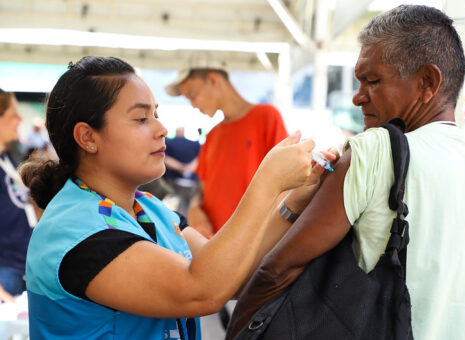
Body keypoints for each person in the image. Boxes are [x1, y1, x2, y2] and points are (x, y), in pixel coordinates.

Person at [228, 5, 465, 340]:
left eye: (372, 81)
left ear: (428, 82)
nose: (357, 97)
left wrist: (240, 331)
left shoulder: (375, 151)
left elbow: (276, 270)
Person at [20, 56, 333, 339]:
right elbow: (202, 291)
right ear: (88, 137)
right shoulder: (75, 230)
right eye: (141, 119)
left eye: (156, 114)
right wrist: (268, 183)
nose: (161, 129)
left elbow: (234, 278)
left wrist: (293, 203)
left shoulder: (147, 208)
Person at [166, 56, 288, 238]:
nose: (192, 105)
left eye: (192, 95)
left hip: (253, 244)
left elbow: (286, 183)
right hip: (214, 243)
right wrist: (194, 208)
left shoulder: (267, 117)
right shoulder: (212, 134)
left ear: (214, 80)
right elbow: (202, 188)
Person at [0, 89, 35, 303]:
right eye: (13, 114)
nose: (20, 119)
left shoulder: (7, 159)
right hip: (6, 274)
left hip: (25, 267)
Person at [163, 127, 200, 215]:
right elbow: (199, 159)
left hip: (172, 180)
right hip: (192, 181)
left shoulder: (168, 144)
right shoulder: (194, 144)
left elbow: (165, 159)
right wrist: (188, 169)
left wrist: (180, 167)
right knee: (187, 207)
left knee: (171, 206)